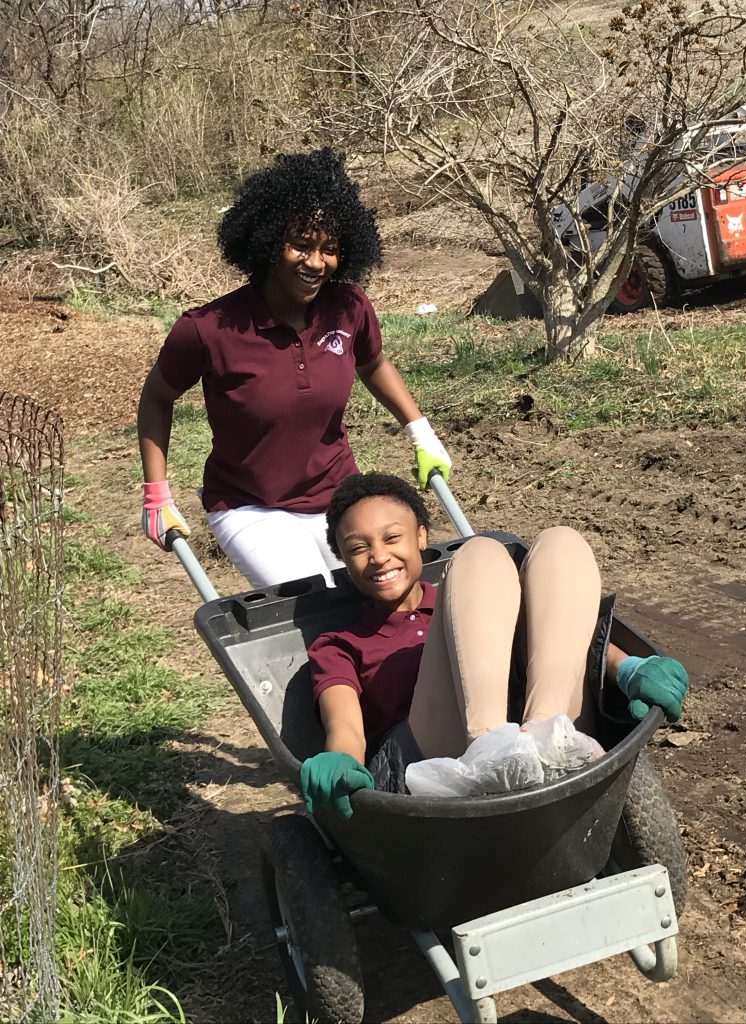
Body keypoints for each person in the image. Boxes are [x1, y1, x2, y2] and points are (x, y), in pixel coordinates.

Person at [137, 148, 451, 589]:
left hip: (339, 493)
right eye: (301, 245)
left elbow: (373, 362)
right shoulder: (209, 329)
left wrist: (420, 432)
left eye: (330, 249)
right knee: (315, 601)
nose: (316, 262)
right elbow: (157, 397)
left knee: (381, 593)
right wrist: (156, 493)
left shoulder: (348, 308)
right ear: (266, 242)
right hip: (251, 506)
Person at [301, 472, 689, 817]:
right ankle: (490, 745)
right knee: (481, 554)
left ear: (421, 535)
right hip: (423, 771)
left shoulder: (481, 597)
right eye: (358, 548)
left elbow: (557, 635)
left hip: (535, 728)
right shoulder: (339, 644)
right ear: (343, 560)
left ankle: (548, 734)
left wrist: (626, 668)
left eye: (392, 537)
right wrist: (340, 759)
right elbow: (346, 726)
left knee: (560, 543)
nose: (379, 556)